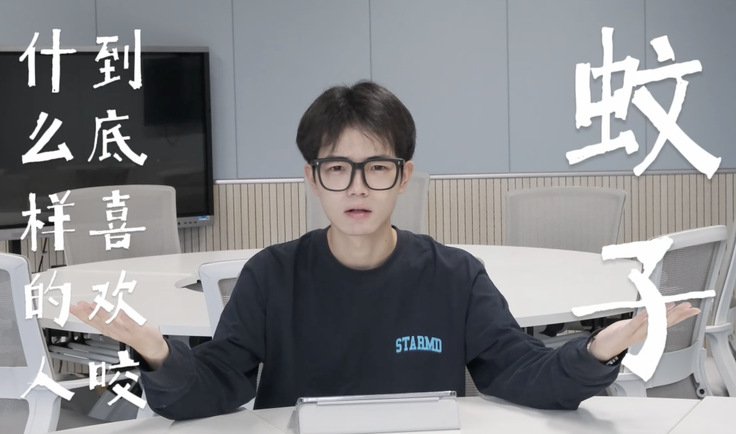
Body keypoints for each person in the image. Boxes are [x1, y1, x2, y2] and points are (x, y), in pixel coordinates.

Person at [70, 80, 699, 420]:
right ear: (313, 178)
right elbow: (212, 391)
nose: (357, 187)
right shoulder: (271, 276)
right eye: (337, 168)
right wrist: (160, 356)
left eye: (377, 167)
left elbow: (522, 373)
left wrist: (594, 352)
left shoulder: (454, 275)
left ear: (403, 176)